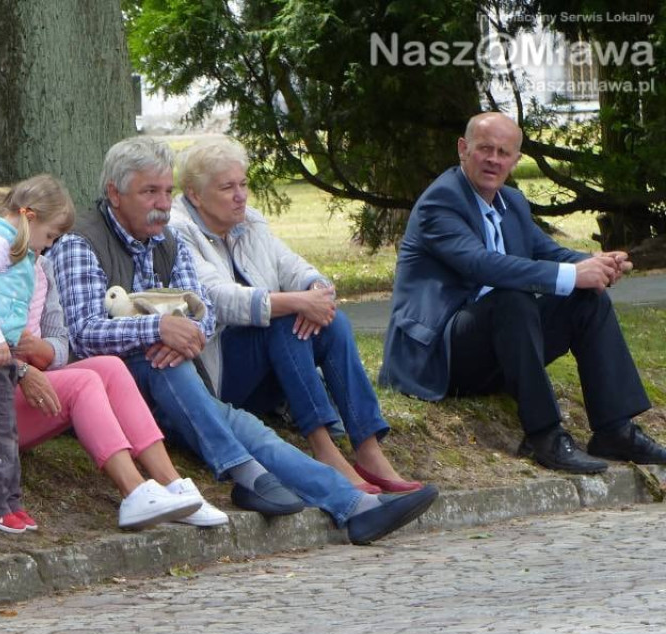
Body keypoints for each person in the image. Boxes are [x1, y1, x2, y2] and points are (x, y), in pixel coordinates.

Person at [47, 136, 439, 545]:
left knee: (251, 428)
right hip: (119, 394)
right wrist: (158, 330)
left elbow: (205, 310)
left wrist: (189, 332)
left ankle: (357, 508)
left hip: (181, 384)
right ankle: (246, 473)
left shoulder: (168, 240)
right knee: (169, 369)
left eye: (166, 191)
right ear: (114, 192)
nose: (162, 203)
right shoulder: (81, 241)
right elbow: (82, 333)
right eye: (149, 192)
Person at [0, 190, 227, 533]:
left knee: (109, 366)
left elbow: (61, 344)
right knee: (83, 382)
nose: (39, 250)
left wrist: (38, 349)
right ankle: (133, 491)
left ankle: (173, 486)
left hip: (12, 388)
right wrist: (20, 366)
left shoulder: (38, 271)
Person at [380, 111, 666, 473]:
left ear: (515, 160)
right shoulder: (441, 201)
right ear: (463, 149)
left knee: (586, 300)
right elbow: (482, 265)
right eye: (485, 149)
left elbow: (549, 253)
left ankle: (614, 430)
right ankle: (543, 435)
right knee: (512, 298)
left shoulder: (511, 202)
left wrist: (597, 263)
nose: (493, 160)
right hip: (441, 354)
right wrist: (571, 274)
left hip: (502, 346)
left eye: (504, 152)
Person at [171, 136, 423, 494]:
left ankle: (368, 449)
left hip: (269, 371)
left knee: (331, 321)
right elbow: (217, 298)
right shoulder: (178, 231)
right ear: (195, 195)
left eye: (243, 184)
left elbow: (297, 268)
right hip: (220, 374)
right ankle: (323, 449)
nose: (240, 195)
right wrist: (295, 303)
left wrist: (316, 292)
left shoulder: (250, 223)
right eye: (228, 187)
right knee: (285, 322)